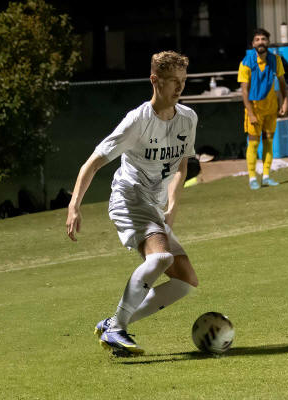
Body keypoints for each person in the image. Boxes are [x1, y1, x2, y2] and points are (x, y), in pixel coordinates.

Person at [66, 51, 199, 356]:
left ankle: (113, 323)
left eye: (183, 80)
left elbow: (181, 167)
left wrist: (172, 207)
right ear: (155, 80)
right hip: (128, 198)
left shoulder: (188, 118)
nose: (179, 87)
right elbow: (92, 163)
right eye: (172, 81)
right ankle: (117, 328)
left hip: (153, 206)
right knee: (161, 258)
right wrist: (74, 205)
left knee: (185, 281)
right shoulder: (137, 121)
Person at [239, 28, 288, 190]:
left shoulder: (276, 60)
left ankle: (266, 176)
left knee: (269, 142)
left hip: (271, 108)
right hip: (254, 109)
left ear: (268, 42)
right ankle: (252, 177)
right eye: (257, 39)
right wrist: (251, 113)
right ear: (253, 44)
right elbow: (244, 91)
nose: (261, 42)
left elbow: (282, 83)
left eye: (263, 39)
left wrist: (285, 102)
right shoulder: (246, 62)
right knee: (253, 144)